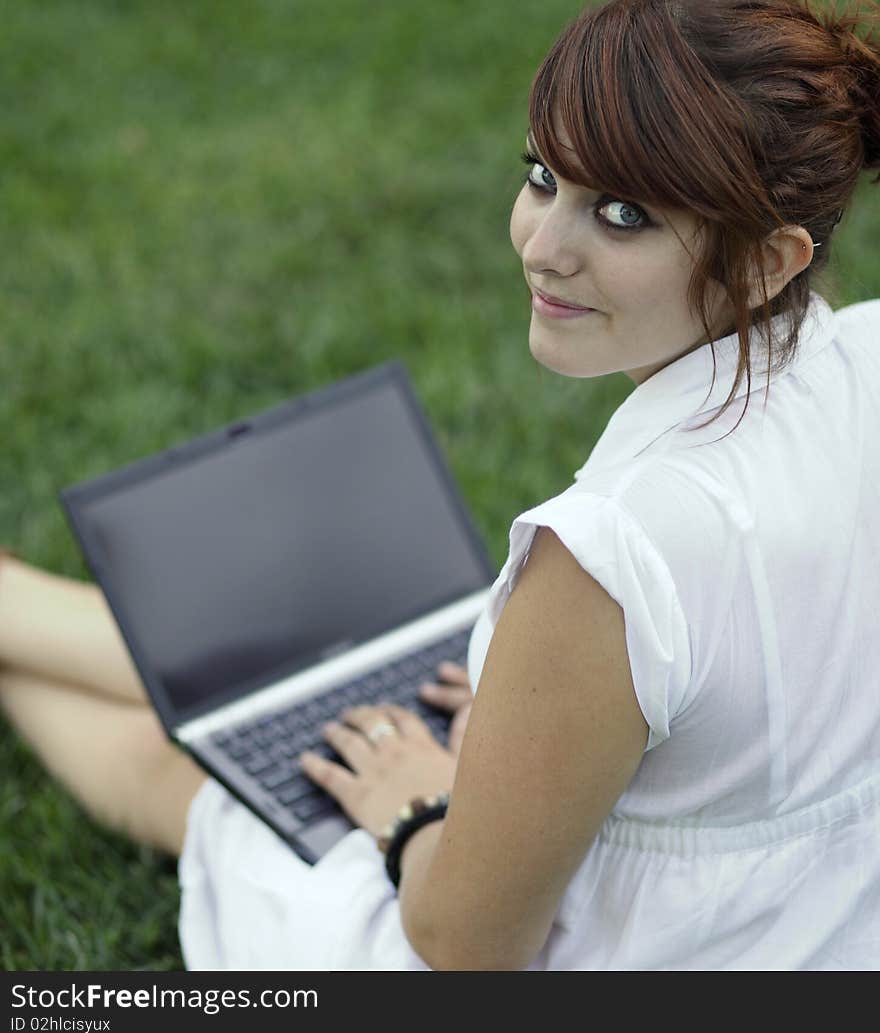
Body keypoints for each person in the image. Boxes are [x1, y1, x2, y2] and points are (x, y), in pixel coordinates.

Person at [2, 0, 880, 971]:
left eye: (623, 214)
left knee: (227, 796)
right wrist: (540, 731)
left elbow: (468, 948)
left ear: (765, 264)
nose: (543, 245)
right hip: (817, 924)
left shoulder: (615, 551)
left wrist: (417, 803)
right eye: (543, 177)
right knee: (329, 697)